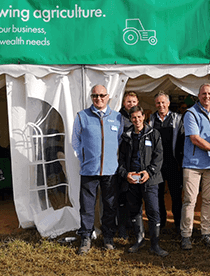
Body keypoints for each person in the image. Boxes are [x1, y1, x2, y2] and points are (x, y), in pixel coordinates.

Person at [72, 84, 123, 255]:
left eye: (102, 95)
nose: (98, 99)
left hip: (110, 171)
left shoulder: (117, 117)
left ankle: (108, 237)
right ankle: (85, 237)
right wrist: (85, 158)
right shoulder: (82, 116)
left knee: (109, 205)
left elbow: (120, 141)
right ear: (91, 97)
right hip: (89, 171)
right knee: (87, 207)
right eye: (95, 96)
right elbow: (76, 141)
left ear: (108, 97)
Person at [180, 83, 210, 250]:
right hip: (193, 164)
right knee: (190, 201)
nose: (206, 96)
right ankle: (186, 235)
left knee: (208, 200)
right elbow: (195, 138)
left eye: (209, 94)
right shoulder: (190, 113)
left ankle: (206, 233)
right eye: (203, 94)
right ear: (198, 96)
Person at [117, 106, 168, 257]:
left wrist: (149, 171)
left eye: (139, 117)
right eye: (133, 118)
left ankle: (155, 244)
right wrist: (126, 174)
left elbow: (159, 157)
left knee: (153, 211)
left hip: (150, 179)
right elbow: (120, 160)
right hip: (132, 179)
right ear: (130, 119)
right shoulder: (126, 136)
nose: (137, 120)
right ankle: (139, 240)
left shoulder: (154, 134)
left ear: (144, 116)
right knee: (135, 210)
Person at [148, 91, 184, 233]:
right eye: (158, 102)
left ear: (168, 103)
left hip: (173, 163)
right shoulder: (151, 120)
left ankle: (178, 224)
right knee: (158, 195)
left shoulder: (177, 118)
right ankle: (161, 223)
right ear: (155, 104)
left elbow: (182, 139)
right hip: (157, 165)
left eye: (163, 102)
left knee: (176, 195)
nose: (161, 105)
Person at [117, 91, 140, 239]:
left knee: (135, 195)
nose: (131, 104)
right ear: (124, 103)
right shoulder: (118, 117)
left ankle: (135, 226)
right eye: (128, 101)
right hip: (122, 161)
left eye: (133, 101)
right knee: (122, 196)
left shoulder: (139, 117)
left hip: (136, 163)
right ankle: (122, 228)